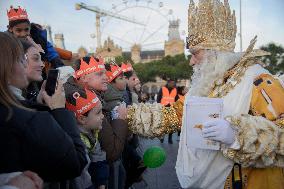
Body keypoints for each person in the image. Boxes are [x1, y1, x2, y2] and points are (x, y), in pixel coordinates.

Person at [173, 0, 284, 189]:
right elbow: (176, 114)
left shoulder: (258, 81)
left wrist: (237, 135)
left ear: (215, 53)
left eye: (195, 53)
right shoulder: (207, 85)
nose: (191, 62)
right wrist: (132, 116)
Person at [0, 32, 87, 183]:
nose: (40, 64)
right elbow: (75, 161)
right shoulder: (28, 119)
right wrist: (59, 109)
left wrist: (37, 104)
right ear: (7, 65)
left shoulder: (20, 108)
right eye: (23, 60)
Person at [65, 85, 106, 189]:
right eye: (98, 113)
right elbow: (81, 180)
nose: (103, 116)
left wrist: (102, 182)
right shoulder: (78, 143)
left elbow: (98, 157)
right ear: (82, 119)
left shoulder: (92, 131)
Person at [157, 79, 178, 144]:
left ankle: (170, 138)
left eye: (174, 83)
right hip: (163, 108)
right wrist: (159, 106)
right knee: (163, 124)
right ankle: (162, 137)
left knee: (171, 124)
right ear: (168, 83)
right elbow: (158, 98)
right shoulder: (162, 89)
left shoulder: (175, 89)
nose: (173, 85)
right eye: (172, 83)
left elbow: (177, 99)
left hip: (172, 109)